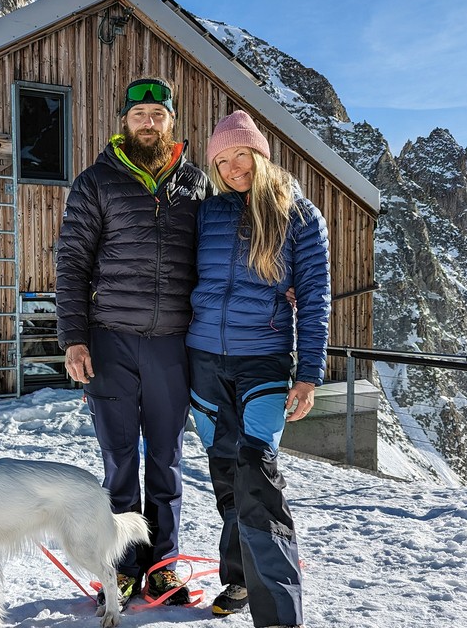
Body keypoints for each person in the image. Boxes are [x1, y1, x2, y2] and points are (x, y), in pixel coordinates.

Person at [56, 77, 209, 608]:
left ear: (172, 122)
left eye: (158, 114)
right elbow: (72, 264)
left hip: (172, 345)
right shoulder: (96, 181)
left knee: (165, 460)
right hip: (111, 342)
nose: (149, 122)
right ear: (125, 120)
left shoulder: (196, 184)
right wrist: (75, 339)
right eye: (140, 113)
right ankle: (120, 567)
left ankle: (163, 566)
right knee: (120, 460)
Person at [186, 110, 331, 628]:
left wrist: (309, 373)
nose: (231, 168)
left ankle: (279, 617)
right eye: (221, 160)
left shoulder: (299, 215)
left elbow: (314, 298)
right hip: (203, 362)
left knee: (258, 479)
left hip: (263, 363)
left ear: (260, 154)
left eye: (239, 155)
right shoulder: (207, 213)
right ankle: (241, 577)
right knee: (225, 475)